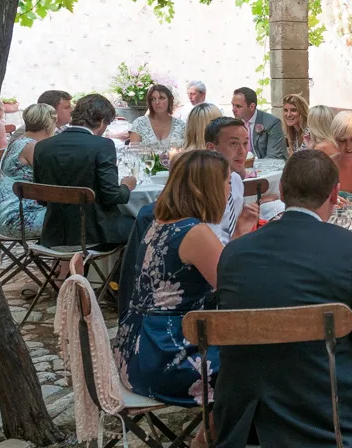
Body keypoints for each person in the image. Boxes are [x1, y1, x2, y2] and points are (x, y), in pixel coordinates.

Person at [215, 149, 352, 447]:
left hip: (247, 414)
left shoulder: (233, 253)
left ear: (281, 191)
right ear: (334, 193)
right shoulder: (351, 249)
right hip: (327, 415)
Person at [114, 150, 253, 417]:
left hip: (137, 346)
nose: (228, 191)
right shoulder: (195, 232)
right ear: (208, 188)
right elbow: (238, 290)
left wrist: (238, 236)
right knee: (266, 359)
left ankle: (215, 429)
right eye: (226, 183)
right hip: (168, 355)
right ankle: (215, 434)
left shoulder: (162, 222)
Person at [34, 94, 137, 246]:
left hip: (54, 234)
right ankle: (121, 270)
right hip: (96, 235)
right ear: (102, 121)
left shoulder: (42, 146)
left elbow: (41, 198)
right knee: (143, 222)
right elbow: (112, 197)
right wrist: (127, 186)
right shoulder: (102, 145)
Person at [0, 104, 57, 238]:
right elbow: (54, 179)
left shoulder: (17, 142)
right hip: (19, 218)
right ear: (48, 124)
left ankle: (62, 257)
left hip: (2, 216)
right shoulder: (32, 147)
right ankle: (71, 257)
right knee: (80, 219)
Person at [204, 117, 261, 245]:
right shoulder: (202, 188)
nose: (242, 151)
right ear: (211, 148)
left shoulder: (235, 180)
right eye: (234, 144)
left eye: (245, 143)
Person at [231, 87, 287, 160]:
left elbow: (273, 157)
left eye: (238, 106)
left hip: (268, 168)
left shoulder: (272, 123)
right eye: (233, 105)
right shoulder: (235, 124)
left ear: (252, 106)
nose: (233, 110)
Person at [128, 84, 187, 149]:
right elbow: (134, 154)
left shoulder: (181, 125)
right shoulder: (139, 123)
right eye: (153, 99)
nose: (157, 102)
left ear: (170, 100)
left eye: (161, 98)